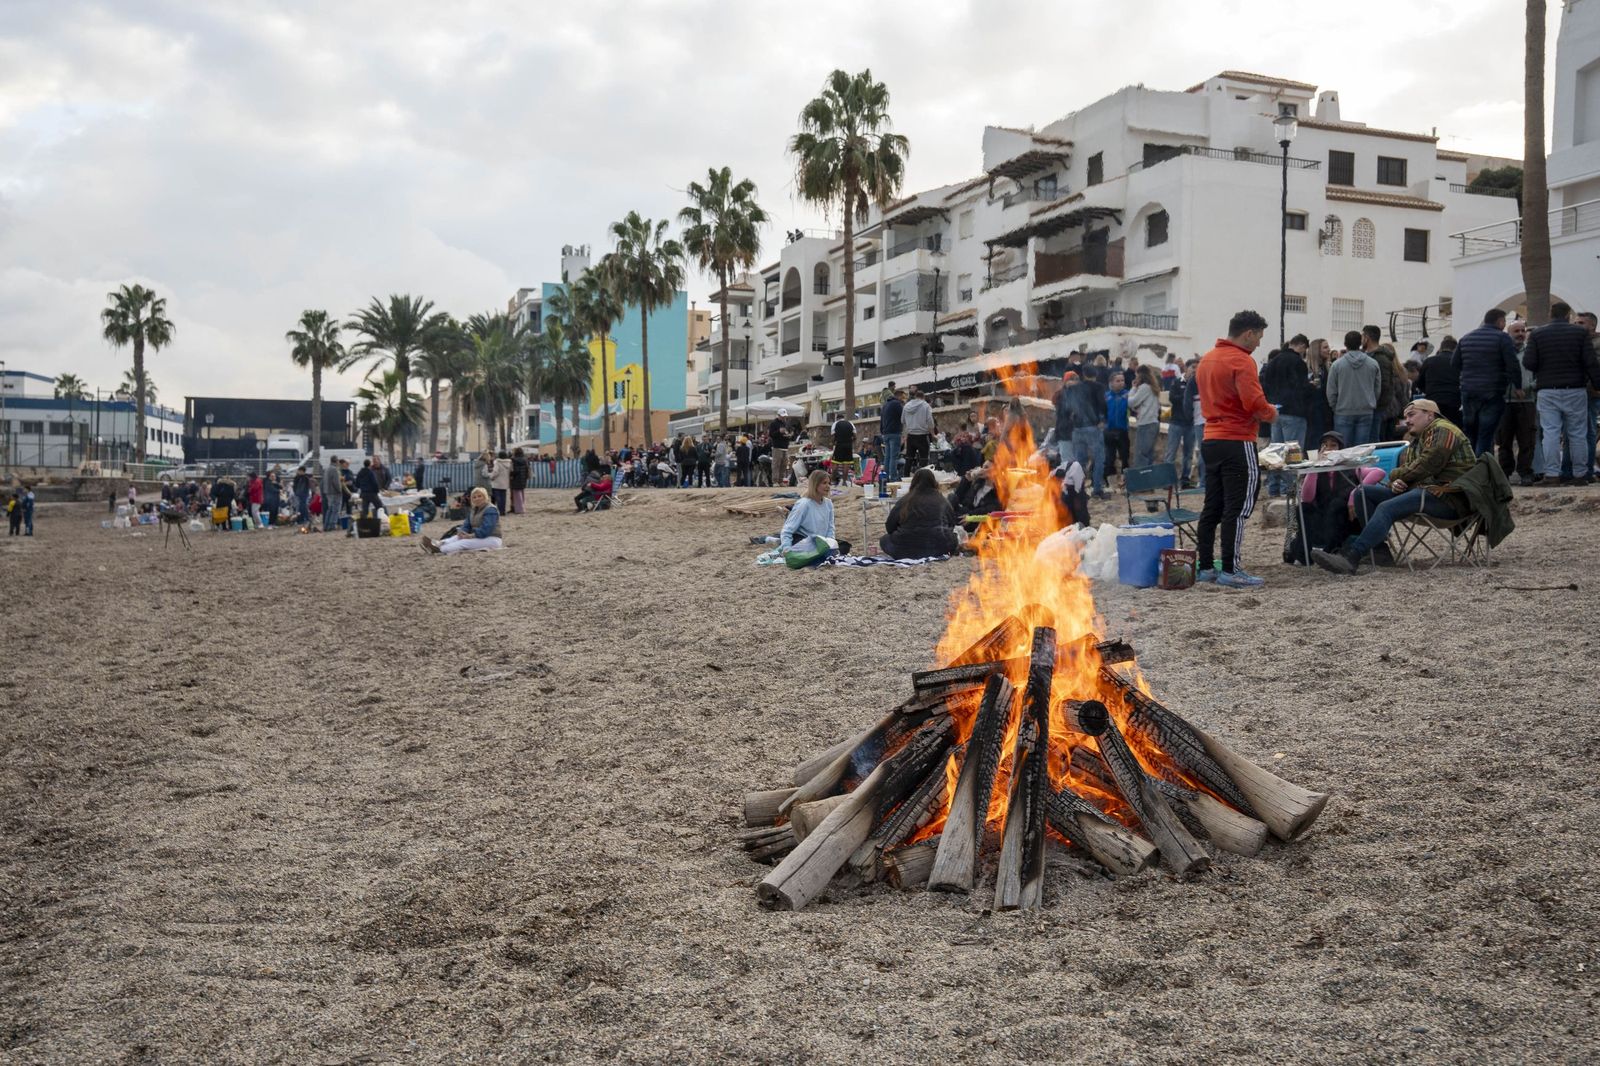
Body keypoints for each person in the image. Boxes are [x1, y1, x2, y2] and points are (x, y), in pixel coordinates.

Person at [1312, 399, 1477, 574]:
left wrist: (1396, 476)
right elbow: (1413, 470)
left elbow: (1428, 464)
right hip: (1426, 493)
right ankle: (1380, 552)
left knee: (1386, 507)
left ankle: (1352, 557)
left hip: (1450, 498)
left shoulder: (1444, 429)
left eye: (1412, 415)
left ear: (1430, 415)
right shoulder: (1418, 439)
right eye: (1406, 417)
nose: (1407, 421)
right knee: (1363, 492)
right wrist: (1399, 482)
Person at [1195, 310, 1278, 588]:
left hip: (1211, 438)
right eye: (1258, 337)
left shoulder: (1207, 359)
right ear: (1248, 333)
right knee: (1239, 507)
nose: (1258, 344)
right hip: (1238, 438)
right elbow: (1253, 402)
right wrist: (1271, 414)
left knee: (1212, 506)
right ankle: (1231, 569)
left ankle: (1205, 565)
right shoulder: (1242, 360)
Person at [1522, 301, 1600, 484]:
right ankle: (1580, 475)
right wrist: (1597, 384)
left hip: (1548, 390)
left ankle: (1552, 475)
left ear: (1551, 314)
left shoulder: (1538, 334)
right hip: (1575, 390)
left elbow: (1528, 363)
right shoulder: (1580, 334)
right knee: (1578, 434)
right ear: (1568, 315)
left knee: (1550, 433)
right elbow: (1591, 362)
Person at [1283, 431, 1386, 566]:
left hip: (1346, 521)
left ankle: (1329, 552)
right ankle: (1304, 556)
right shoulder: (1317, 470)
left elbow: (1379, 473)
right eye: (1325, 446)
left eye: (1333, 445)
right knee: (1303, 507)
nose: (1329, 449)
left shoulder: (1351, 467)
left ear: (1341, 449)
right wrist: (1315, 468)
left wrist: (1353, 495)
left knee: (1337, 504)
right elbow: (1307, 498)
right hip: (1322, 521)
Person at [1452, 307, 1522, 456]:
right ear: (1500, 321)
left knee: (1471, 433)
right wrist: (1517, 386)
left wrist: (1469, 373)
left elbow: (1454, 363)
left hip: (1469, 391)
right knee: (1486, 433)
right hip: (1492, 391)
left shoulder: (1466, 338)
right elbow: (1512, 364)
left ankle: (1470, 467)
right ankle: (1480, 470)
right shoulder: (1502, 338)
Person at [1261, 339, 1314, 495]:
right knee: (1292, 454)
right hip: (1294, 411)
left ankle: (1274, 488)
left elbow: (1267, 384)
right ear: (1302, 346)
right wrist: (1312, 388)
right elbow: (1301, 387)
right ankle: (1288, 490)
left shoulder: (1273, 361)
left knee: (1275, 452)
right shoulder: (1298, 363)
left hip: (1276, 412)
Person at [879, 468, 959, 558]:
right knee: (954, 538)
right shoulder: (942, 501)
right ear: (934, 482)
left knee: (884, 540)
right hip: (938, 547)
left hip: (905, 548)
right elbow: (951, 523)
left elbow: (890, 526)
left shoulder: (906, 500)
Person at [1053, 369, 1108, 498]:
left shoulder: (1066, 394)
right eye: (1071, 379)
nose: (1074, 382)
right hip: (1080, 430)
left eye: (1076, 379)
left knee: (1078, 463)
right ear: (1066, 381)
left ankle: (1078, 491)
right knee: (1097, 459)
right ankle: (1095, 489)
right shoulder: (1071, 393)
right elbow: (1080, 410)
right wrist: (1098, 420)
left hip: (1076, 431)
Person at [1496, 319, 1538, 484]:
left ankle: (1525, 472)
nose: (1520, 334)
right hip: (1505, 402)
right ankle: (1505, 473)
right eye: (1516, 331)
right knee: (1504, 440)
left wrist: (1530, 387)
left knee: (1527, 440)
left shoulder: (1532, 352)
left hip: (1526, 401)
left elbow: (1539, 374)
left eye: (1522, 330)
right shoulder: (1501, 352)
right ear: (1509, 333)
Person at [1326, 330, 1381, 446]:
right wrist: (1371, 401)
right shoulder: (1373, 364)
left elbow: (1331, 390)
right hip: (1366, 410)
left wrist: (1335, 406)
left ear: (1345, 344)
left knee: (1343, 449)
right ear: (1360, 343)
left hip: (1343, 410)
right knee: (1362, 450)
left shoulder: (1337, 365)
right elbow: (1377, 389)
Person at [778, 468, 850, 555]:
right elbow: (787, 530)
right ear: (815, 485)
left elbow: (830, 528)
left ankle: (823, 552)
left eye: (829, 483)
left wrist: (830, 543)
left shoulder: (828, 503)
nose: (828, 486)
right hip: (804, 540)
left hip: (820, 541)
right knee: (810, 548)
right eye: (824, 483)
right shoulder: (804, 504)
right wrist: (786, 548)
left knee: (845, 546)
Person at [422, 487, 503, 554]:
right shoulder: (474, 510)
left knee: (464, 543)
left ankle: (440, 550)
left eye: (479, 496)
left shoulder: (490, 510)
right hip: (478, 535)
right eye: (474, 497)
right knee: (456, 537)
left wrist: (470, 536)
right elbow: (466, 524)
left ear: (485, 497)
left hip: (492, 538)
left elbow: (486, 530)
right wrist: (462, 532)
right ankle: (438, 544)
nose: (477, 499)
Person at [1366, 326, 1410, 442]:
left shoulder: (1381, 365)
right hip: (1394, 410)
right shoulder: (1401, 371)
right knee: (1391, 439)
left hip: (1384, 409)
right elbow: (1402, 394)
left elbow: (1383, 388)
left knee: (1380, 439)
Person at [1165, 359, 1200, 487]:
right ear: (1186, 368)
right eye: (1193, 367)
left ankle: (1185, 480)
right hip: (1176, 423)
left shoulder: (1198, 384)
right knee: (1171, 452)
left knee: (1188, 454)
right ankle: (1167, 481)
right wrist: (1187, 396)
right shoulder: (1176, 382)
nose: (1195, 370)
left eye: (1197, 367)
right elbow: (1172, 398)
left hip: (1190, 423)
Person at [1416, 335, 1462, 427]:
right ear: (1456, 349)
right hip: (1453, 402)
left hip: (1433, 402)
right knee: (1452, 429)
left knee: (1435, 428)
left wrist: (1430, 390)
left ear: (1440, 348)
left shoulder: (1429, 361)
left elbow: (1419, 383)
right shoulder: (1459, 362)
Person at [1128, 364, 1163, 468]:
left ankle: (1141, 480)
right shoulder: (1153, 387)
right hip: (1154, 423)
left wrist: (1133, 388)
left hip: (1145, 424)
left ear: (1140, 376)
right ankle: (1149, 480)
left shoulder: (1144, 388)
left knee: (1140, 455)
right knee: (1149, 454)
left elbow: (1132, 402)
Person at [1102, 372, 1130, 477]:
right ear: (1111, 383)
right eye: (1117, 381)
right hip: (1109, 431)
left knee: (1125, 457)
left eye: (1122, 380)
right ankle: (1109, 481)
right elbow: (1101, 412)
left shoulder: (1128, 395)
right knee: (1109, 458)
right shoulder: (1106, 396)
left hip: (1123, 430)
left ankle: (1126, 481)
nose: (1121, 383)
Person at [902, 388, 935, 472]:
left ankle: (905, 477)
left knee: (909, 459)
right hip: (922, 436)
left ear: (915, 397)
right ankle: (923, 479)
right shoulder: (925, 405)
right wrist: (933, 434)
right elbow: (930, 422)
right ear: (923, 397)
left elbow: (902, 421)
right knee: (924, 460)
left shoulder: (906, 406)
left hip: (911, 436)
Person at [768, 418, 793, 487]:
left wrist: (790, 435)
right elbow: (771, 434)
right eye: (782, 416)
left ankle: (780, 480)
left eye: (785, 416)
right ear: (779, 415)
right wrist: (779, 431)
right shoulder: (774, 423)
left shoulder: (785, 423)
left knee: (784, 464)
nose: (783, 417)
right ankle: (775, 481)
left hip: (785, 446)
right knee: (776, 464)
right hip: (777, 447)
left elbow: (789, 431)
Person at [321, 460, 344, 533]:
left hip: (327, 492)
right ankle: (332, 525)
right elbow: (336, 482)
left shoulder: (326, 469)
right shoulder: (335, 470)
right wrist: (339, 490)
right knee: (335, 509)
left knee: (329, 509)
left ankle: (326, 525)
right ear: (336, 461)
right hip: (335, 492)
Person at [509, 447, 530, 514]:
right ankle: (522, 507)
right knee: (521, 493)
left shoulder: (513, 459)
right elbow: (527, 469)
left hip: (515, 479)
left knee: (516, 494)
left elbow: (513, 470)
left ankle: (518, 509)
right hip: (523, 478)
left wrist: (511, 475)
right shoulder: (525, 459)